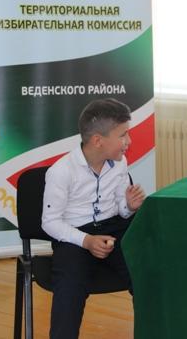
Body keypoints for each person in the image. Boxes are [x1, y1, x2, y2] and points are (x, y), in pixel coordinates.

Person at [42, 98, 146, 339]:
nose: (129, 141)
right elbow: (50, 222)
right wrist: (87, 241)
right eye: (123, 135)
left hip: (113, 228)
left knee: (145, 271)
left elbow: (121, 210)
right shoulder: (61, 171)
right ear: (98, 141)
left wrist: (129, 207)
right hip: (75, 235)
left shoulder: (120, 164)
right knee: (70, 287)